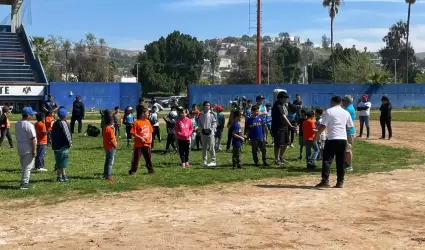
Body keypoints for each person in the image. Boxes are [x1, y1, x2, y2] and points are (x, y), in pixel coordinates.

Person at [315, 96, 354, 188]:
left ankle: (325, 180)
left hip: (332, 138)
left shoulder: (329, 111)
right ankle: (340, 182)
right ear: (340, 102)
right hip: (343, 139)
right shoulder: (346, 112)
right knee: (340, 161)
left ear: (332, 101)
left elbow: (323, 126)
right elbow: (350, 126)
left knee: (327, 160)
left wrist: (316, 135)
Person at [271, 92, 296, 165]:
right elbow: (283, 116)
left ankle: (281, 157)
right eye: (284, 98)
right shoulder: (278, 105)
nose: (286, 100)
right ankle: (276, 159)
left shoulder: (283, 105)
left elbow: (287, 115)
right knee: (278, 144)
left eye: (286, 98)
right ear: (280, 98)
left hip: (284, 127)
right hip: (278, 127)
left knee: (286, 143)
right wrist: (291, 126)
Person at [15, 107, 37, 190]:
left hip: (20, 146)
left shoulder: (17, 124)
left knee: (23, 165)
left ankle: (23, 181)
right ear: (28, 115)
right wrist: (34, 150)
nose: (32, 116)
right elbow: (33, 139)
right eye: (31, 115)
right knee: (28, 166)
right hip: (28, 147)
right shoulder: (29, 125)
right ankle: (24, 183)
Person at [129, 108, 154, 175]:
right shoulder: (136, 122)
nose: (148, 114)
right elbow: (133, 133)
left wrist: (150, 140)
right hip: (138, 144)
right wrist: (140, 138)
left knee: (148, 158)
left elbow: (150, 131)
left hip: (147, 143)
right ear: (143, 113)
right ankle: (133, 170)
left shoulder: (148, 121)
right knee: (136, 158)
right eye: (147, 113)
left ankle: (150, 170)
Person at [52, 108, 73, 182]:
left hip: (56, 146)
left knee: (58, 161)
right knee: (63, 161)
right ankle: (63, 175)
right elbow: (67, 135)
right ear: (65, 115)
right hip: (63, 146)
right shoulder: (63, 123)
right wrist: (70, 143)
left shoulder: (55, 123)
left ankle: (60, 176)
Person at [197, 101, 217, 167]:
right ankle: (204, 161)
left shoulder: (212, 114)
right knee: (204, 148)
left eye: (209, 105)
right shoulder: (200, 114)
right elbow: (199, 123)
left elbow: (214, 123)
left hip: (210, 133)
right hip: (203, 133)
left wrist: (211, 129)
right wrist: (201, 129)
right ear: (203, 106)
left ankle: (213, 161)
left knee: (211, 147)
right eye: (206, 105)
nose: (208, 106)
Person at [342, 95, 356, 172]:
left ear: (347, 101)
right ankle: (345, 163)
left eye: (343, 100)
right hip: (348, 131)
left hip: (348, 132)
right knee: (345, 149)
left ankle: (349, 165)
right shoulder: (349, 107)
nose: (342, 102)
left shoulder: (348, 109)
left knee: (348, 149)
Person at [103, 112, 117, 181]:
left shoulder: (105, 128)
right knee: (110, 162)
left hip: (107, 147)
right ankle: (108, 175)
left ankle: (105, 174)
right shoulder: (110, 129)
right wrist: (115, 145)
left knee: (107, 161)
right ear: (111, 121)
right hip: (111, 147)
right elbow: (111, 140)